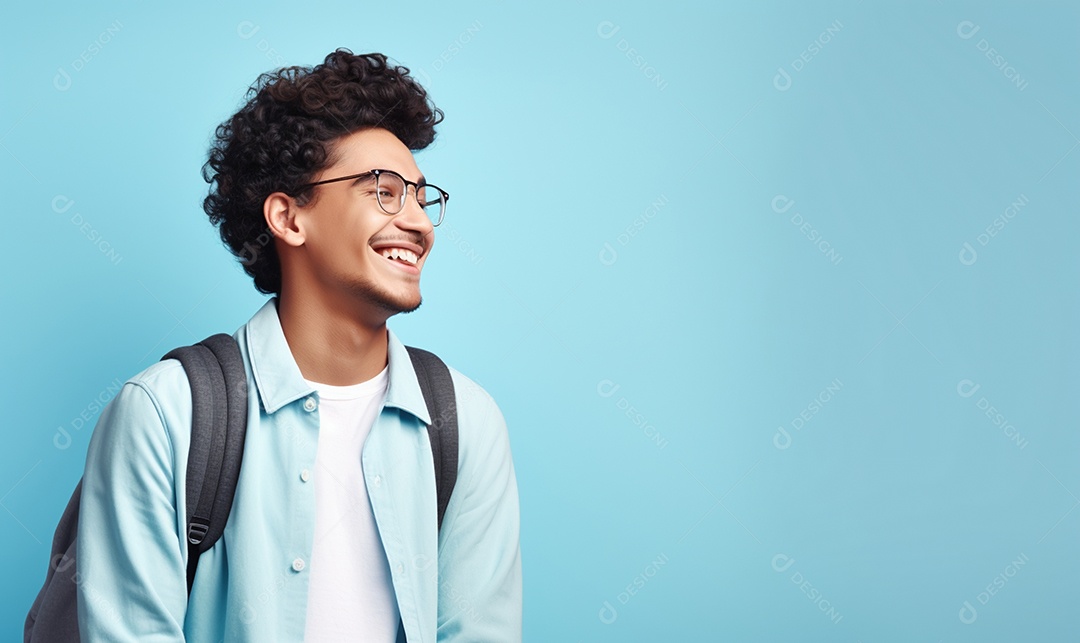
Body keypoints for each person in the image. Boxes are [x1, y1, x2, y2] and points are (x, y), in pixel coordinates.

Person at [75, 49, 522, 642]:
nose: (419, 223)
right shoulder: (165, 414)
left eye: (421, 197)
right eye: (385, 192)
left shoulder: (466, 423)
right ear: (288, 218)